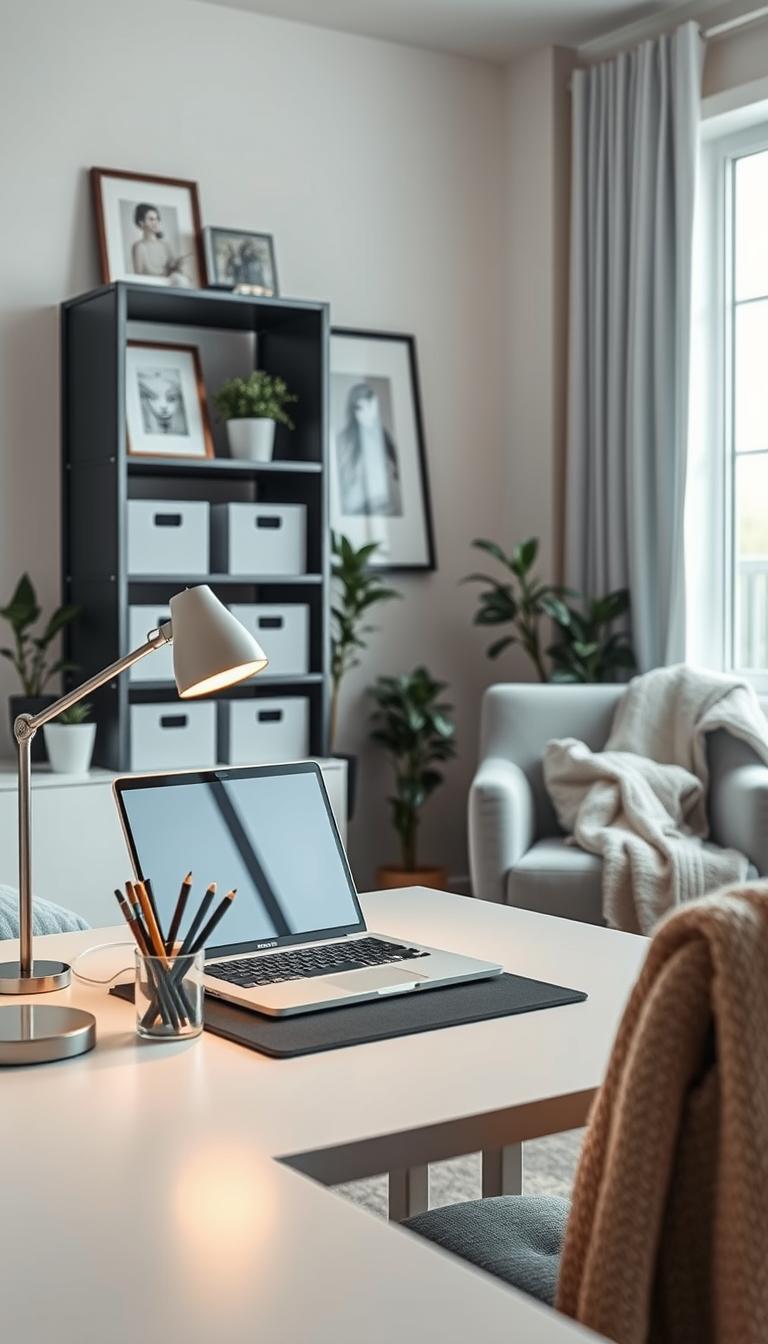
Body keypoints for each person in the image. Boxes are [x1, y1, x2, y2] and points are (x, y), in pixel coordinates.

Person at [336, 383, 403, 516]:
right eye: (360, 408)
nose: (367, 413)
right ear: (353, 411)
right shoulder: (344, 440)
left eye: (370, 405)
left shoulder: (385, 436)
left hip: (386, 509)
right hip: (356, 510)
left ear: (376, 403)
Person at [131, 203, 192, 287]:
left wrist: (177, 266)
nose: (156, 222)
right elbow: (138, 277)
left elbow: (174, 270)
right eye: (151, 219)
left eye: (157, 219)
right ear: (141, 222)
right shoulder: (139, 246)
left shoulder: (166, 245)